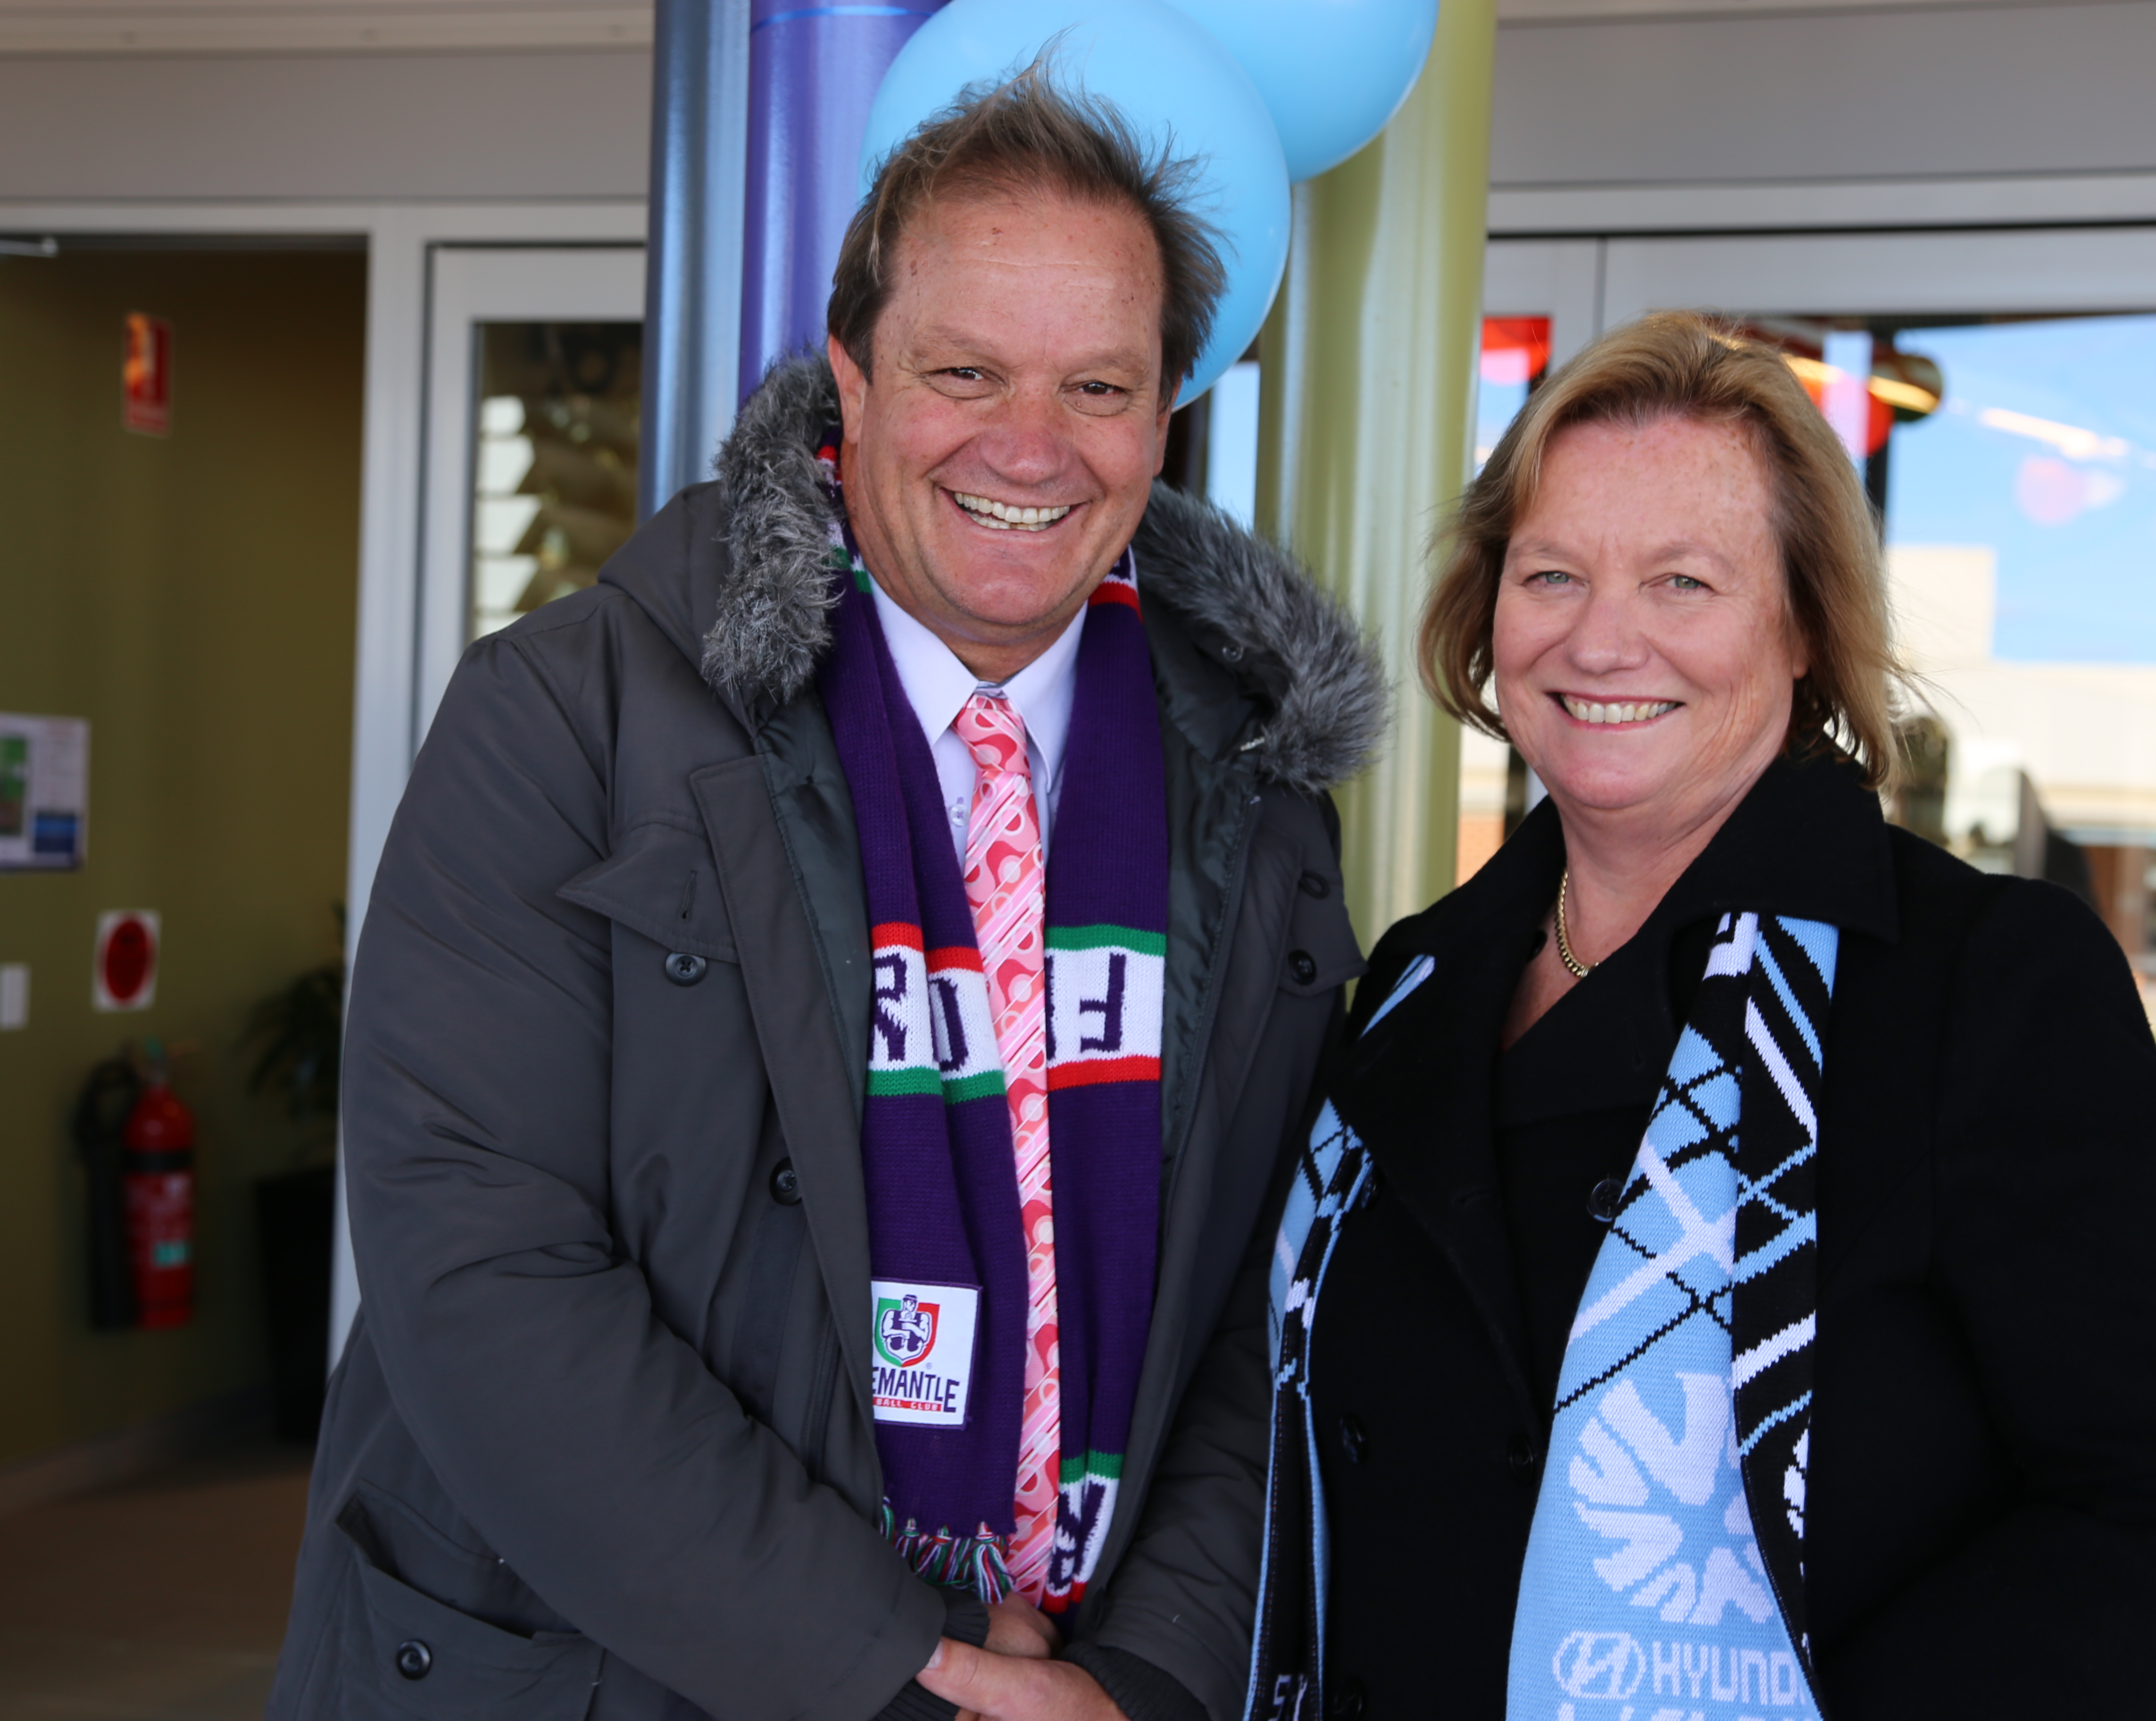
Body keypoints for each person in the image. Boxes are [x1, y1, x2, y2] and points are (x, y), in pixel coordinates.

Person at [266, 64, 1381, 1721]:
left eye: (1097, 384)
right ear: (849, 377)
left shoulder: (1255, 791)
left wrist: (1147, 1676)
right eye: (963, 370)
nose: (1030, 445)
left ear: (1164, 416)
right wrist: (901, 1670)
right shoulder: (567, 718)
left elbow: (1261, 1305)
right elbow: (483, 1272)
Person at [1242, 312, 2156, 1721]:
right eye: (1551, 572)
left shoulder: (1976, 983)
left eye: (1683, 581)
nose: (1600, 637)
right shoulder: (1423, 975)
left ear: (1802, 623)